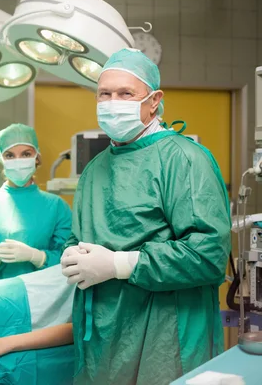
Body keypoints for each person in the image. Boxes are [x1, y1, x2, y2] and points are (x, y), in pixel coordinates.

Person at [60, 48, 231, 384]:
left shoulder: (183, 159)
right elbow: (80, 236)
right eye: (104, 94)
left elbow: (208, 254)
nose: (113, 102)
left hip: (165, 336)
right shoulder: (95, 169)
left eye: (126, 94)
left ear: (154, 101)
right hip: (104, 338)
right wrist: (70, 255)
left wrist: (120, 265)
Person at [0, 123, 72, 282]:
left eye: (26, 154)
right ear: (1, 159)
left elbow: (69, 262)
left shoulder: (57, 207)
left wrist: (38, 257)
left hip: (39, 301)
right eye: (10, 155)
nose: (18, 161)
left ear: (37, 157)